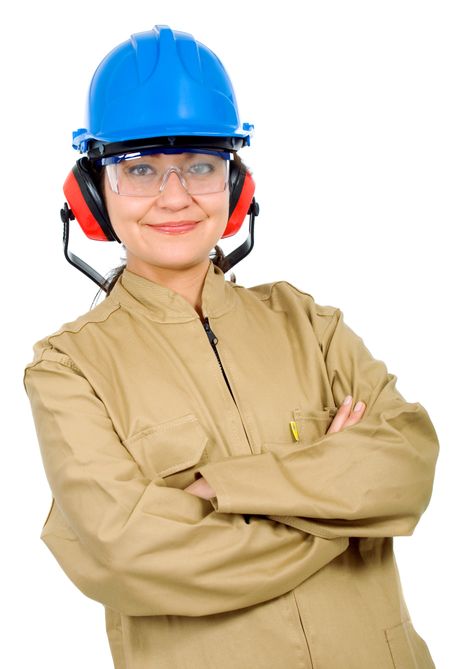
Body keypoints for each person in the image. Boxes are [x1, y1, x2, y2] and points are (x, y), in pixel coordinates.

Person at [24, 24, 439, 669]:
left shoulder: (309, 323)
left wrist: (217, 488)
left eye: (201, 166)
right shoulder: (68, 368)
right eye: (139, 170)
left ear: (236, 185)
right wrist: (340, 510)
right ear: (92, 197)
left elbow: (406, 465)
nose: (175, 197)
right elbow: (130, 554)